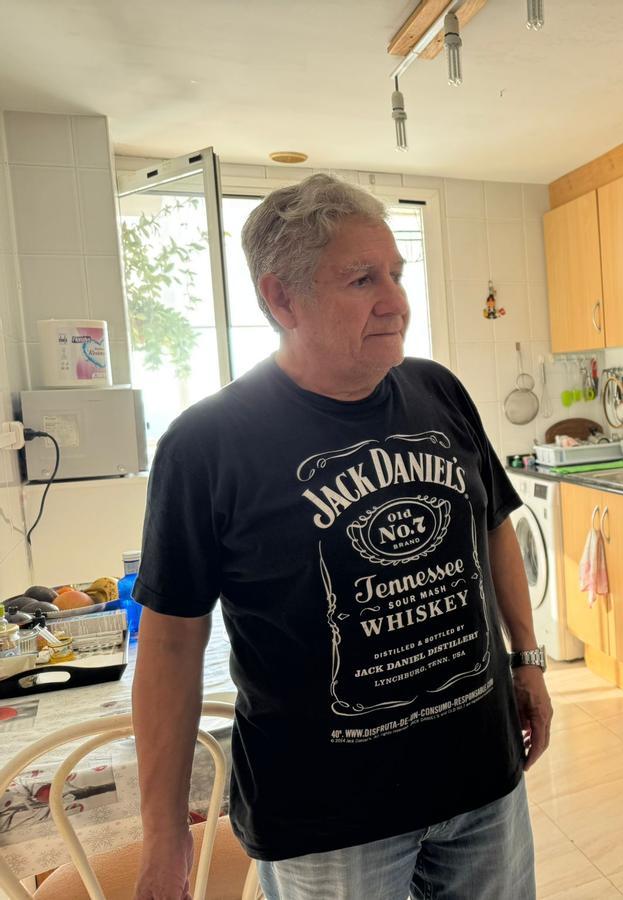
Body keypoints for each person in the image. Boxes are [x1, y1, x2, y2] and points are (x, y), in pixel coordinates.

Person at [131, 174, 551, 900]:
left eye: (395, 272)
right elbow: (171, 644)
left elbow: (493, 525)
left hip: (482, 782)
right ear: (280, 299)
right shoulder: (206, 445)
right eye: (362, 279)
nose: (395, 301)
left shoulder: (437, 390)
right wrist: (164, 831)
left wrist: (528, 658)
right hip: (328, 819)